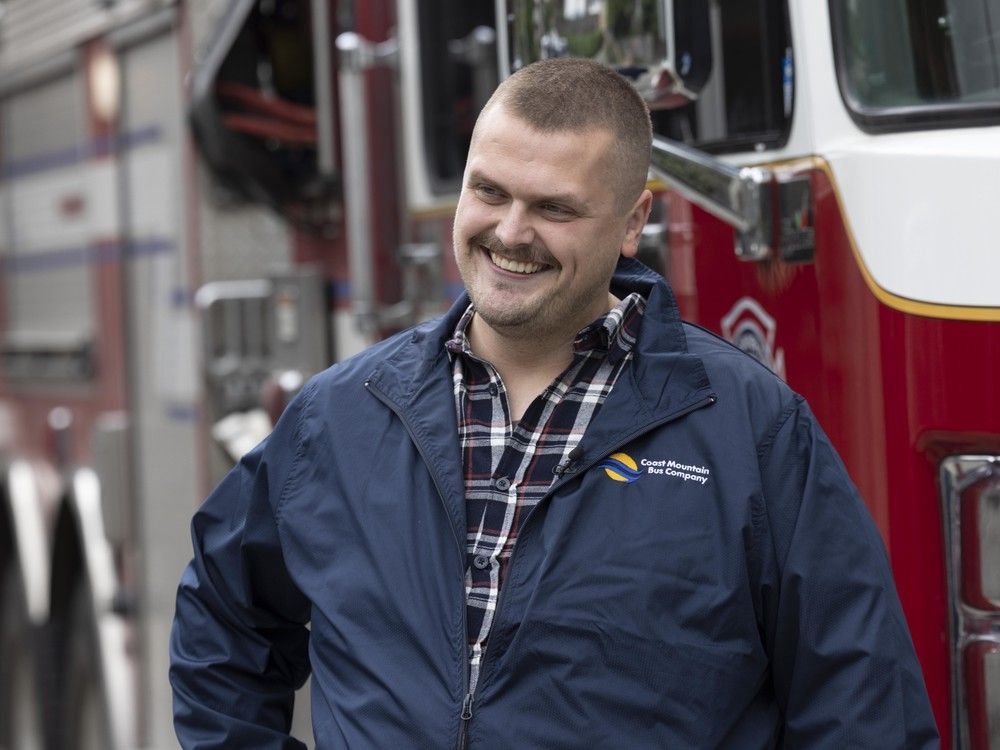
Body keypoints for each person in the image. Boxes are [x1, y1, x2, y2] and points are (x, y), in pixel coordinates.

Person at [170, 58, 938, 748]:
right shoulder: (343, 415)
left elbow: (862, 706)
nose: (510, 232)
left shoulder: (750, 431)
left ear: (633, 222)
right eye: (489, 192)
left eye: (554, 209)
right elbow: (223, 620)